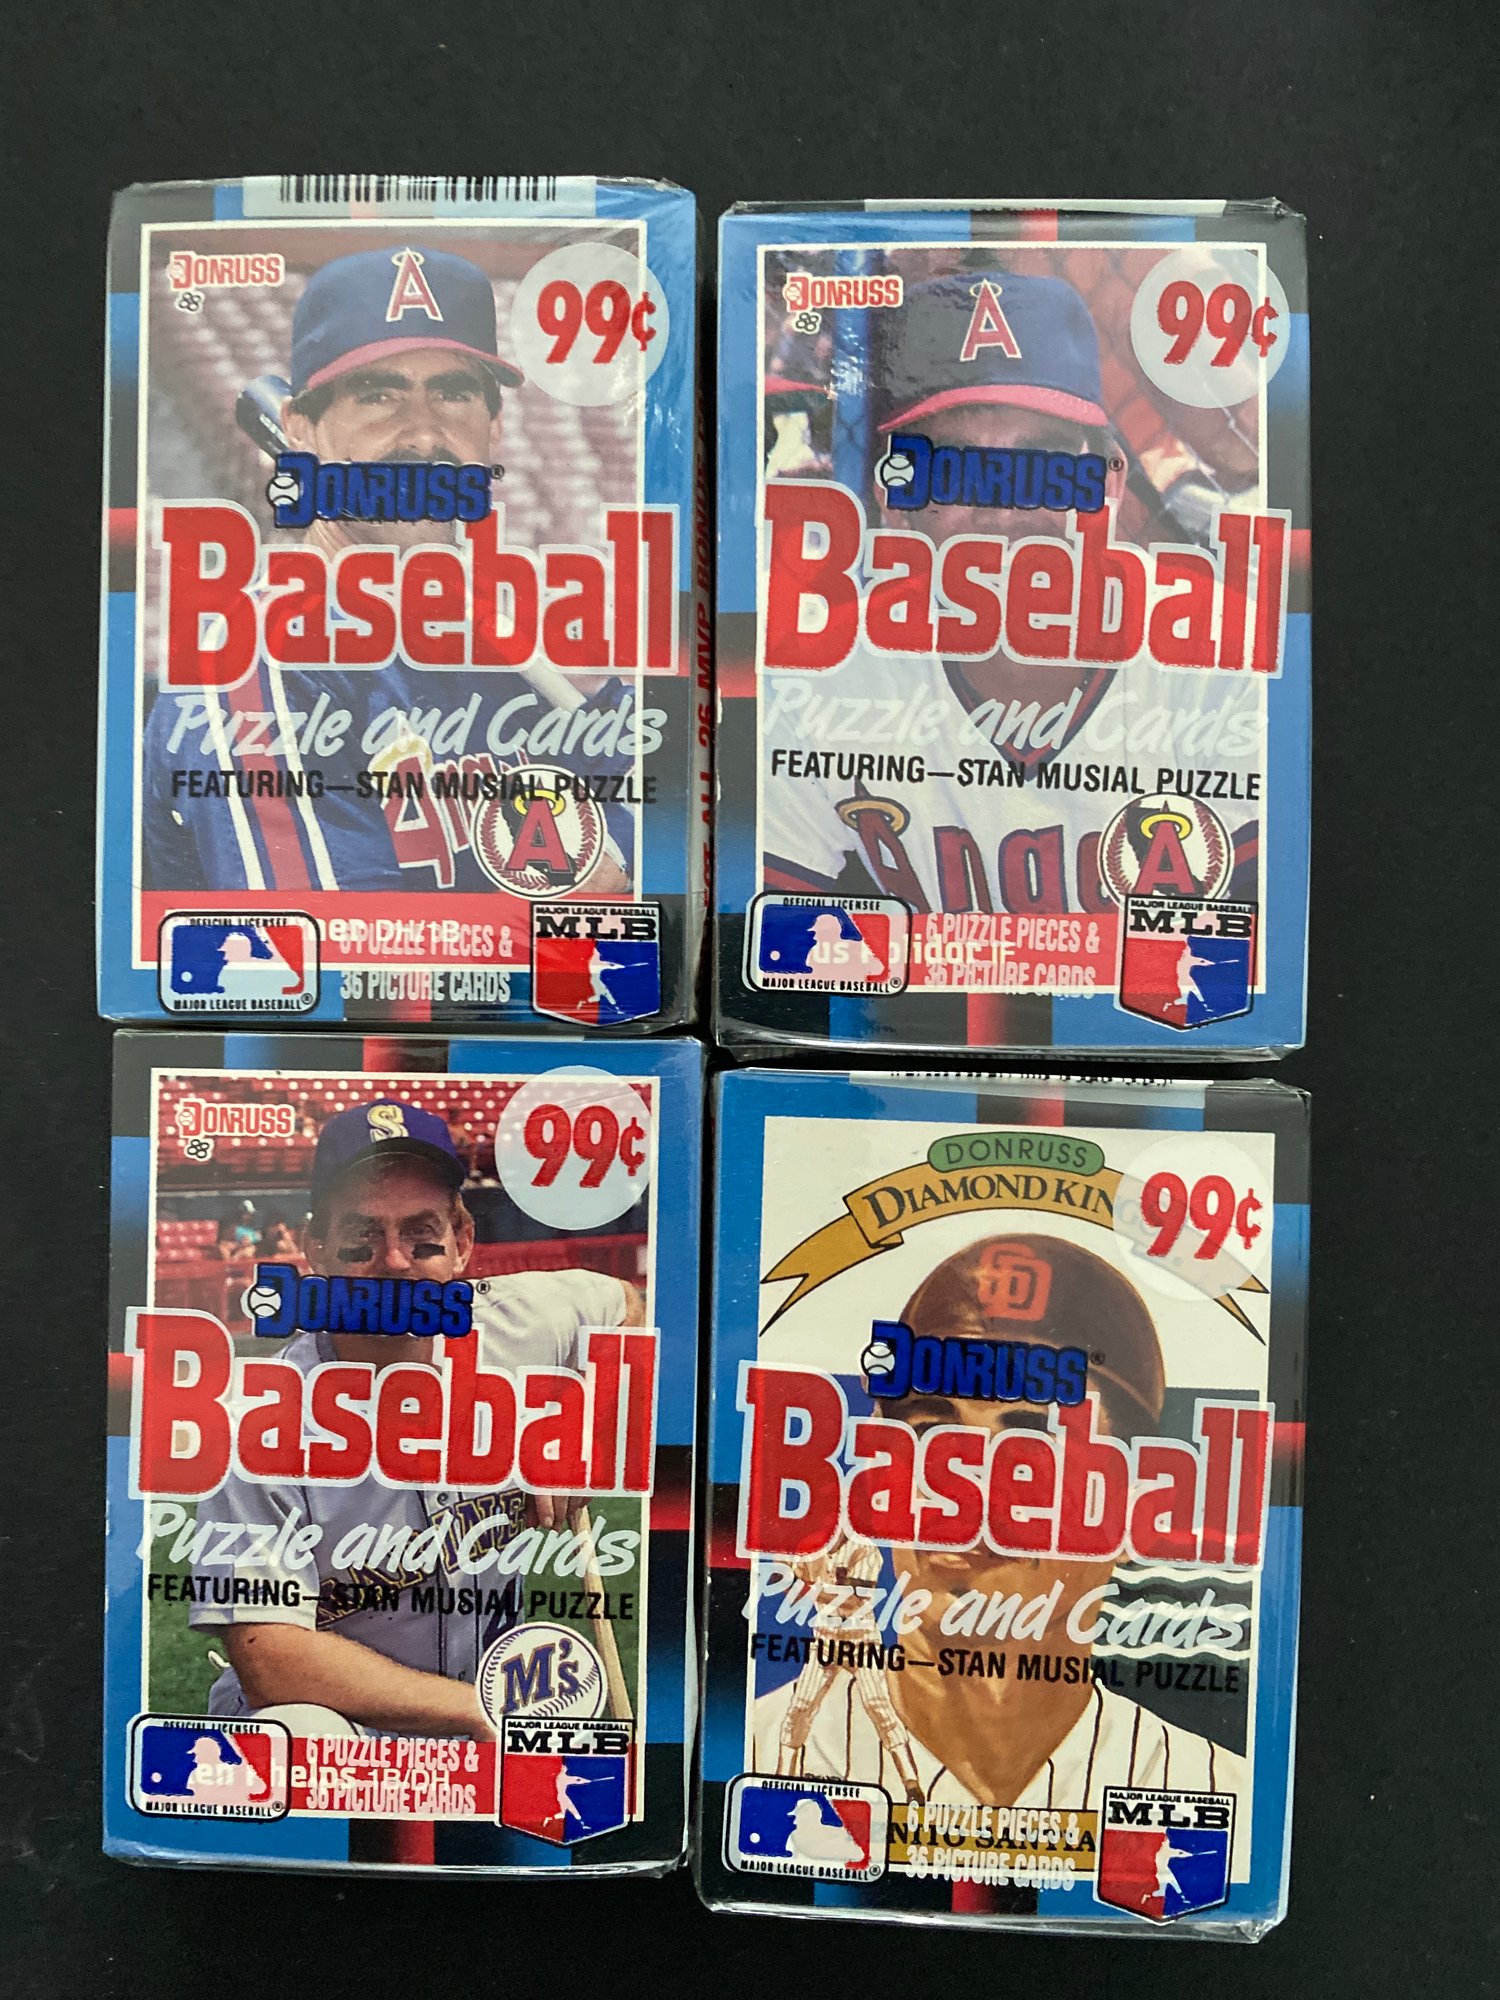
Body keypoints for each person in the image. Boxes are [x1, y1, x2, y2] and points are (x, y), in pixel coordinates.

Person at [759, 270, 1263, 927]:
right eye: (953, 467)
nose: (1002, 509)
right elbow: (776, 949)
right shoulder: (823, 673)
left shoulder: (1216, 652)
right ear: (893, 500)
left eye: (1044, 464)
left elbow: (1259, 956)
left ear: (1109, 484)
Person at [144, 244, 636, 898]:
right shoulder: (257, 660)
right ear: (300, 430)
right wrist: (574, 906)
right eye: (378, 396)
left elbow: (644, 813)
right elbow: (320, 944)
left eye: (453, 393)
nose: (424, 436)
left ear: (493, 428)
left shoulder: (507, 633)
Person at [752, 1234, 1249, 1871]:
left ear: (1136, 1507)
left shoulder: (1220, 1796)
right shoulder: (759, 1756)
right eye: (931, 1436)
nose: (963, 1491)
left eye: (1029, 1450)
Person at [191, 1096, 643, 1738]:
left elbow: (626, 1303)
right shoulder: (261, 1411)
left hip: (487, 1710)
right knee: (300, 1729)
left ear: (462, 1242)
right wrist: (488, 1713)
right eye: (363, 1236)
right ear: (316, 1247)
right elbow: (273, 1658)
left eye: (420, 1233)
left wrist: (588, 1421)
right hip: (343, 1723)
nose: (396, 1262)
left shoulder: (519, 1321)